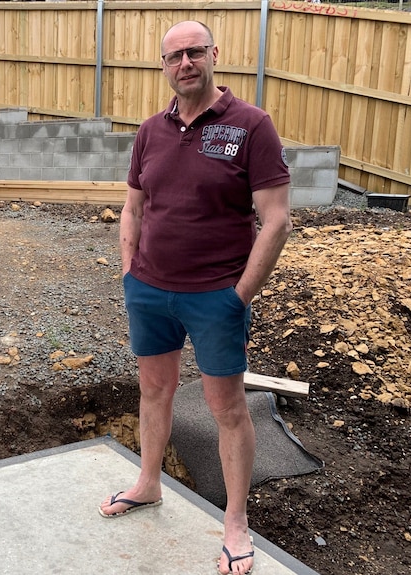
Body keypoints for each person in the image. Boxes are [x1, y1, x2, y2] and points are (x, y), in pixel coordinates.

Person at [98, 20, 292, 575]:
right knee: (153, 391)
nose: (185, 62)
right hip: (150, 290)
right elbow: (133, 207)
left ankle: (235, 521)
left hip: (216, 295)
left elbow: (275, 220)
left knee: (227, 408)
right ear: (163, 65)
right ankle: (149, 482)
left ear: (214, 55)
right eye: (174, 55)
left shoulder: (251, 126)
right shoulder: (150, 131)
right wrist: (129, 271)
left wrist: (239, 296)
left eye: (194, 52)